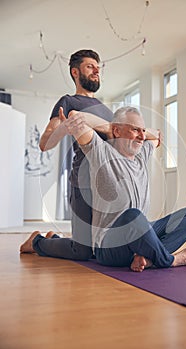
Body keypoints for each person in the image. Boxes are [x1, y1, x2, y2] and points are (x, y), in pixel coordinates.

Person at [20, 107, 186, 272]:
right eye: (134, 130)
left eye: (142, 131)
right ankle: (171, 260)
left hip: (138, 231)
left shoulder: (141, 155)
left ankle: (148, 259)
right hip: (109, 244)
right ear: (116, 130)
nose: (141, 136)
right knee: (133, 216)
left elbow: (157, 136)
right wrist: (110, 128)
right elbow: (76, 117)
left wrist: (139, 131)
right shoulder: (101, 152)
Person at [39, 49, 113, 259]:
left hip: (106, 183)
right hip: (83, 183)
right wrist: (63, 128)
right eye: (90, 66)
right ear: (75, 72)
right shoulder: (68, 102)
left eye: (98, 67)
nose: (96, 70)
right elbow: (45, 144)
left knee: (104, 245)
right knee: (82, 251)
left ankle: (53, 238)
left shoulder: (105, 109)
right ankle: (38, 241)